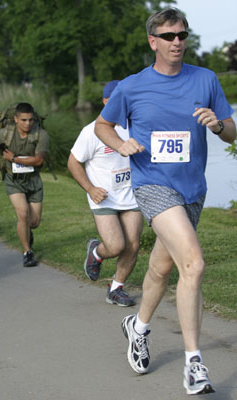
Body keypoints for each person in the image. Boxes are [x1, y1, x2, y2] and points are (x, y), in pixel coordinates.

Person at [94, 8, 236, 395]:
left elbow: (231, 131)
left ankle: (137, 327)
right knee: (193, 263)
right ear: (153, 41)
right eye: (169, 35)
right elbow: (102, 125)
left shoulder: (205, 79)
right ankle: (194, 364)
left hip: (192, 189)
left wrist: (218, 124)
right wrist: (121, 143)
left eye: (183, 35)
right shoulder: (132, 86)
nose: (178, 42)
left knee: (161, 268)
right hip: (152, 184)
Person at [67, 80, 143, 306]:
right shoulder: (91, 131)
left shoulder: (135, 126)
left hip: (131, 196)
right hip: (104, 198)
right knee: (115, 246)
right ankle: (97, 252)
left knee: (133, 245)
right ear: (105, 102)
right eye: (113, 100)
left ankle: (116, 288)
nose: (119, 104)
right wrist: (90, 189)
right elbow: (73, 163)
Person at [0, 102, 49, 268]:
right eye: (24, 120)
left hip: (33, 180)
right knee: (22, 214)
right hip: (13, 180)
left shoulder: (41, 134)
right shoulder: (5, 133)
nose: (28, 124)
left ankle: (27, 233)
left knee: (34, 222)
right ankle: (27, 252)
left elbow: (39, 160)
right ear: (15, 119)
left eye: (30, 120)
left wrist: (13, 158)